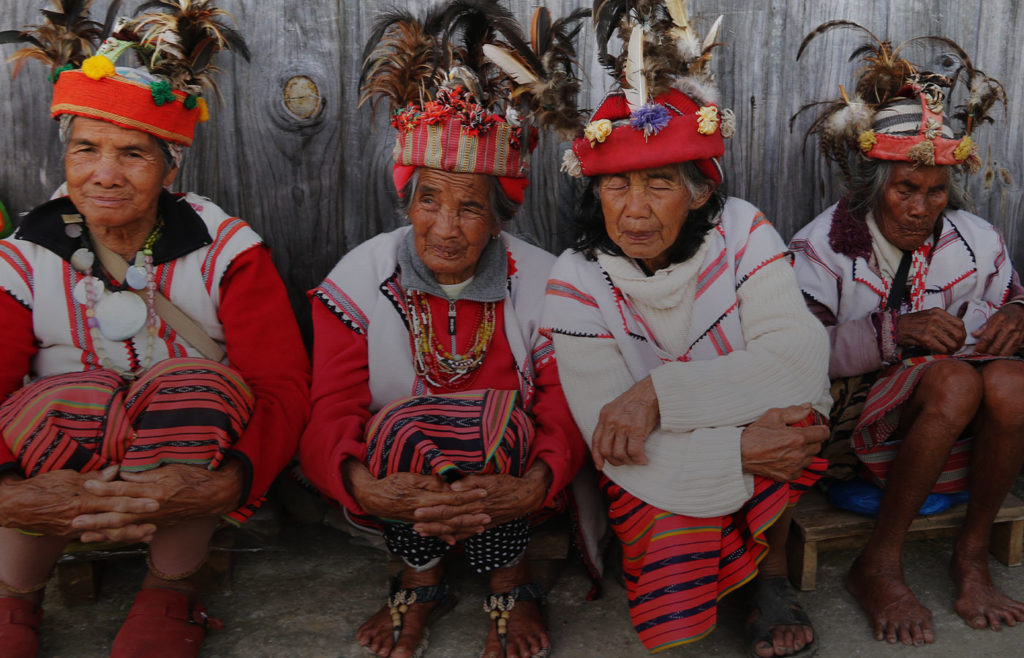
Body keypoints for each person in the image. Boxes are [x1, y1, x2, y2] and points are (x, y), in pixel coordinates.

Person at [0, 5, 309, 657]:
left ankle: (171, 589)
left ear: (171, 168)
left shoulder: (226, 251)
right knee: (58, 397)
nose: (105, 174)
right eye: (86, 149)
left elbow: (281, 388)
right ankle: (16, 595)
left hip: (183, 462)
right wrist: (9, 492)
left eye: (132, 153)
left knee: (194, 386)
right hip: (61, 470)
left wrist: (226, 482)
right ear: (67, 153)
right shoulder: (24, 255)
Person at [298, 4, 588, 658]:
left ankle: (509, 578)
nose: (446, 227)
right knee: (399, 428)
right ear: (408, 200)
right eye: (429, 199)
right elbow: (331, 409)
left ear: (500, 217)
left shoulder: (544, 283)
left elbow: (563, 407)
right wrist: (361, 483)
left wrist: (536, 482)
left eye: (470, 206)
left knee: (502, 426)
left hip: (508, 484)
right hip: (403, 481)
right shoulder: (359, 279)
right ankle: (420, 578)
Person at [544, 4, 832, 657]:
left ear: (699, 192)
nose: (636, 209)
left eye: (660, 183)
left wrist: (658, 396)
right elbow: (610, 438)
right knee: (668, 479)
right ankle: (699, 574)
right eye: (617, 185)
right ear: (596, 194)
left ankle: (770, 577)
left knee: (795, 419)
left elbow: (799, 360)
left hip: (710, 425)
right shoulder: (576, 280)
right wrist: (733, 448)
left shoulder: (743, 232)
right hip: (661, 459)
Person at [790, 22, 1024, 647]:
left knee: (1011, 382)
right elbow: (794, 355)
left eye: (936, 191)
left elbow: (1012, 303)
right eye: (906, 189)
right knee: (950, 382)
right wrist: (895, 332)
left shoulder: (977, 241)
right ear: (874, 187)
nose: (921, 207)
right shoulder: (823, 248)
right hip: (852, 432)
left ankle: (971, 557)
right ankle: (880, 563)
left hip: (952, 428)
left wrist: (1018, 317)